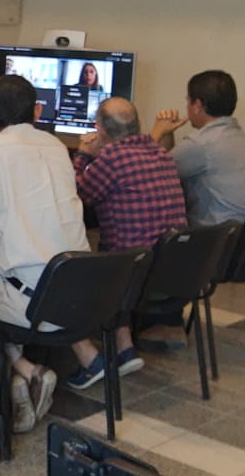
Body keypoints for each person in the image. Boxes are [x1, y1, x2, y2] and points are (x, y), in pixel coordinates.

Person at [0, 75, 91, 433]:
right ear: (36, 110)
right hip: (80, 294)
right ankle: (25, 370)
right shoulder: (57, 146)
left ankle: (14, 378)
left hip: (32, 300)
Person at [144, 69, 245, 349]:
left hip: (217, 249)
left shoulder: (203, 144)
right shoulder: (237, 136)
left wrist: (158, 131)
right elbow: (169, 165)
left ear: (198, 105)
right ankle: (163, 321)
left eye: (188, 100)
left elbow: (146, 170)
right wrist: (169, 136)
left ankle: (163, 323)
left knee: (147, 238)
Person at [69, 97, 187, 378]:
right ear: (139, 124)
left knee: (98, 261)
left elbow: (76, 195)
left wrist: (83, 155)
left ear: (100, 130)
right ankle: (125, 349)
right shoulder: (160, 153)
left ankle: (92, 353)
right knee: (121, 251)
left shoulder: (111, 159)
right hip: (174, 272)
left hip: (134, 274)